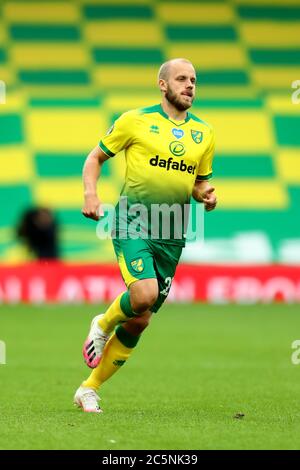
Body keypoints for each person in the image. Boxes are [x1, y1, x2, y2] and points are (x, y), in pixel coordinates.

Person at [74, 58, 217, 413]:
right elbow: (95, 158)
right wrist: (91, 194)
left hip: (172, 231)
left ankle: (88, 389)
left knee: (141, 318)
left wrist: (206, 194)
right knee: (143, 294)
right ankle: (103, 322)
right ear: (163, 85)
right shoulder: (135, 120)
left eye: (194, 80)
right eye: (181, 79)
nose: (189, 86)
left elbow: (197, 182)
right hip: (133, 221)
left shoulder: (205, 133)